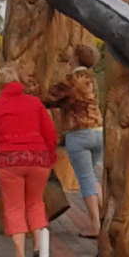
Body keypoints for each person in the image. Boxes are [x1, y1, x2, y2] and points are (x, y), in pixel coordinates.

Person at [0, 64, 61, 257]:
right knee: (36, 202)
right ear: (18, 82)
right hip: (37, 159)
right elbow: (50, 133)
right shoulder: (35, 103)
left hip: (9, 161)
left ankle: (20, 255)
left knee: (14, 206)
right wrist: (50, 156)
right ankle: (39, 246)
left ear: (0, 85)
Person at [45, 42, 105, 242]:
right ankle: (105, 218)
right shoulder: (94, 79)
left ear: (77, 58)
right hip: (98, 130)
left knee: (85, 179)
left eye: (72, 55)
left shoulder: (72, 79)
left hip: (79, 133)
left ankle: (95, 225)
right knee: (92, 176)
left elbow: (49, 97)